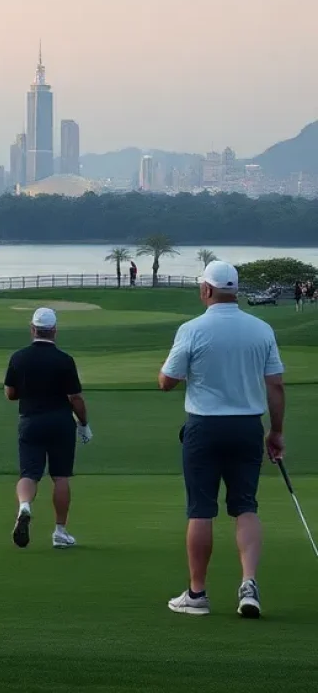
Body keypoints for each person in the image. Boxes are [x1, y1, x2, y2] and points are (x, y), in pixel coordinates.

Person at [159, 261, 285, 619]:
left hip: (204, 427)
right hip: (247, 427)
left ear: (207, 290)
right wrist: (275, 432)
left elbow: (167, 381)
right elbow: (275, 385)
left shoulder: (192, 329)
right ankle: (249, 585)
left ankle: (197, 594)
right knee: (245, 505)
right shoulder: (261, 329)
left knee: (201, 508)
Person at [4, 307, 91, 550]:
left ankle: (24, 507)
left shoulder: (18, 358)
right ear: (54, 331)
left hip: (30, 420)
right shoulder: (64, 360)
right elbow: (75, 398)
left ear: (32, 329)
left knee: (29, 473)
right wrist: (84, 423)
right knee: (60, 476)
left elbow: (10, 394)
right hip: (61, 422)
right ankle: (60, 532)